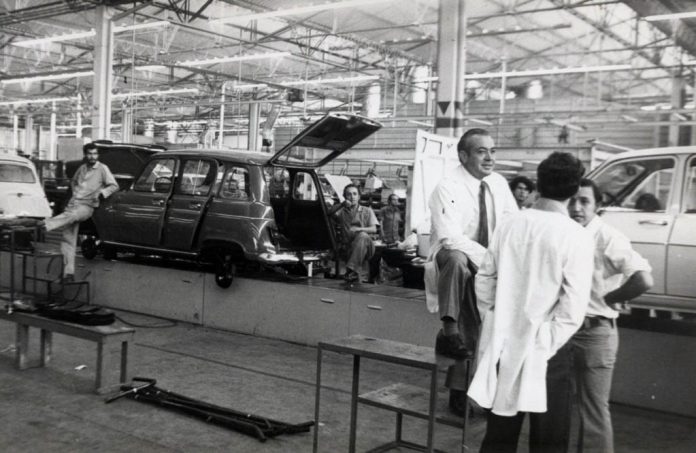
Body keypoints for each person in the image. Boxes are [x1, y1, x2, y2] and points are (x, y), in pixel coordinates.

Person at [468, 152, 594, 453]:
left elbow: (484, 279)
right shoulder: (576, 235)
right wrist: (543, 343)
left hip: (505, 342)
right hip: (548, 352)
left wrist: (497, 319)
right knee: (549, 440)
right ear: (574, 189)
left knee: (499, 435)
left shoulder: (510, 223)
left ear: (539, 183)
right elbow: (573, 308)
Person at [425, 128, 518, 415]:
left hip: (490, 263)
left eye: (492, 151)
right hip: (456, 261)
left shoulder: (498, 184)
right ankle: (449, 331)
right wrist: (489, 261)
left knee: (496, 328)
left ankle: (485, 391)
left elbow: (512, 224)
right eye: (481, 151)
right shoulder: (447, 187)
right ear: (463, 156)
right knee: (457, 262)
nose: (490, 157)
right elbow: (450, 238)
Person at [568, 178, 653, 453]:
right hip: (564, 331)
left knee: (593, 411)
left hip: (595, 332)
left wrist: (610, 298)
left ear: (598, 205)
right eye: (572, 200)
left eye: (584, 201)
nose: (576, 207)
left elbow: (643, 279)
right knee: (560, 408)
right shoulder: (566, 233)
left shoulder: (608, 237)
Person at [41, 143, 118, 281]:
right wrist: (75, 193)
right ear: (85, 155)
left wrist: (101, 193)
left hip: (87, 207)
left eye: (95, 154)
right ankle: (68, 274)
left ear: (98, 155)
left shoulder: (102, 168)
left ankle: (46, 225)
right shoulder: (82, 168)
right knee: (67, 240)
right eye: (90, 154)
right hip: (74, 204)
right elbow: (74, 182)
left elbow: (114, 185)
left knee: (73, 215)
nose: (92, 156)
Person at [328, 183, 379, 283]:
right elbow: (329, 213)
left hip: (367, 248)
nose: (352, 197)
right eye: (349, 194)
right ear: (345, 197)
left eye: (355, 194)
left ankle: (352, 270)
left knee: (363, 235)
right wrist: (342, 204)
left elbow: (374, 229)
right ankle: (353, 272)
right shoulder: (341, 211)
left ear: (359, 196)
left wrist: (359, 229)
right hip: (349, 248)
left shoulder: (367, 211)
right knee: (354, 284)